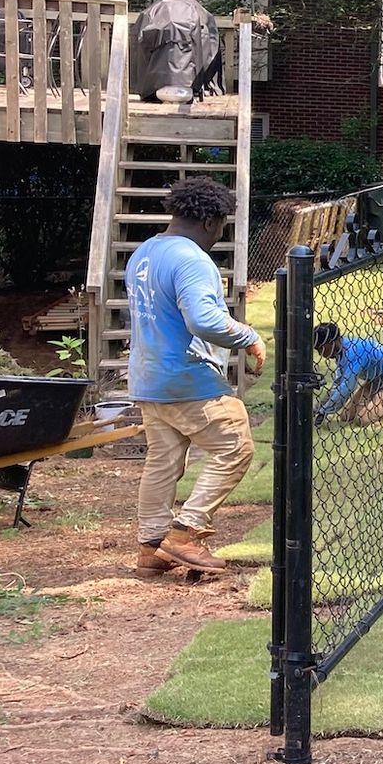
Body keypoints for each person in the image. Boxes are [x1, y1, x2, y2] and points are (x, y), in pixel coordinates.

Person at [126, 178, 265, 576]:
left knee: (163, 460)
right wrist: (249, 336)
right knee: (234, 444)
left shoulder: (144, 253)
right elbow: (204, 321)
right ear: (210, 221)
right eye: (221, 226)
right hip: (185, 378)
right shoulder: (192, 259)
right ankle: (185, 535)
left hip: (147, 378)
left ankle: (151, 548)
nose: (219, 235)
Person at [313, 323, 383, 426]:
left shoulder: (354, 352)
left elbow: (346, 388)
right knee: (346, 416)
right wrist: (318, 408)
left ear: (331, 342)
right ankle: (378, 404)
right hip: (374, 382)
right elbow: (337, 385)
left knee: (362, 420)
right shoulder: (341, 352)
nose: (320, 353)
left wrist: (324, 411)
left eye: (320, 348)